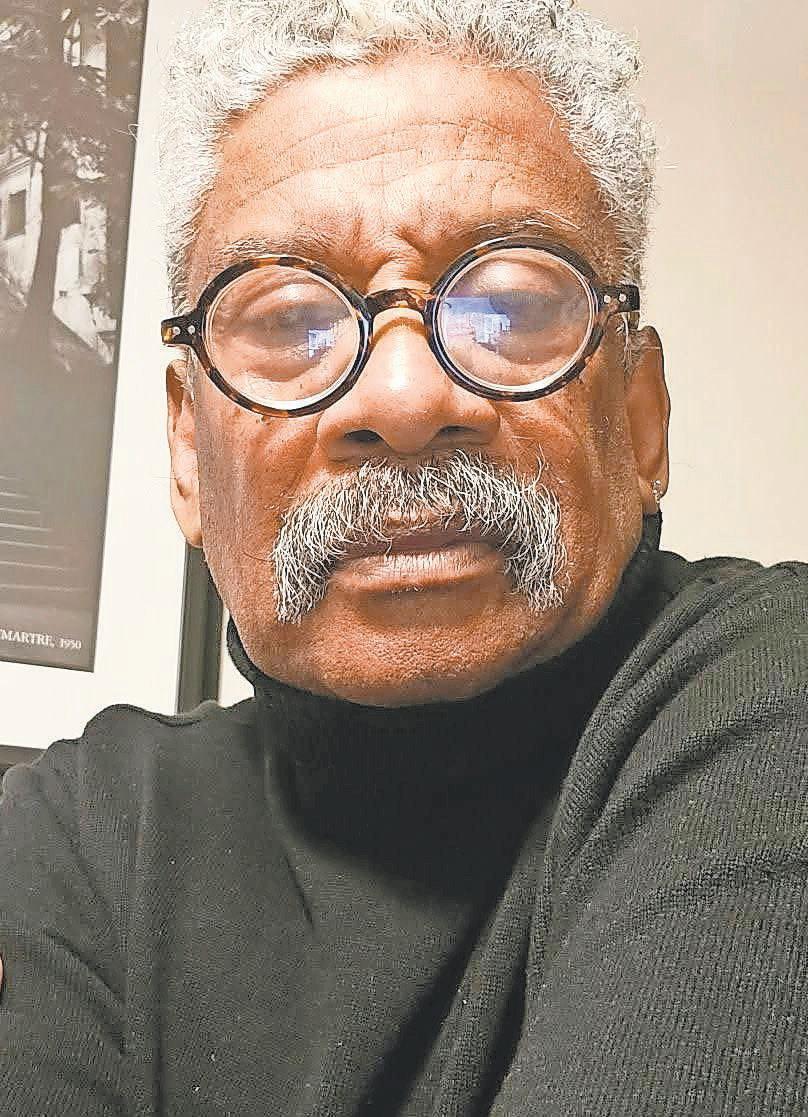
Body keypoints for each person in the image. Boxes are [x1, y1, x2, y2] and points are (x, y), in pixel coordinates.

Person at [1, 1, 807, 1113]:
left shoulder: (774, 699)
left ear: (641, 417)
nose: (404, 396)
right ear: (187, 450)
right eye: (289, 322)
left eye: (508, 305)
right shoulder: (81, 828)